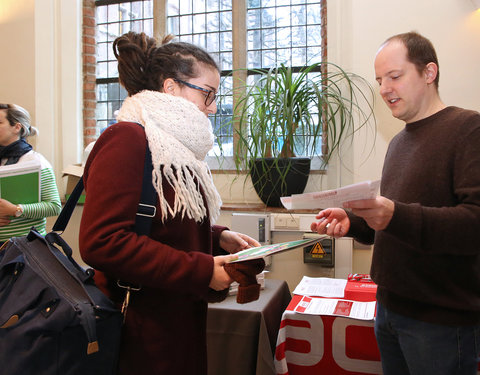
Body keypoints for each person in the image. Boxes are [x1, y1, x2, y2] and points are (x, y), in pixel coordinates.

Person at [79, 31, 261, 375]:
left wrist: (216, 237)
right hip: (139, 330)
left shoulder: (176, 148)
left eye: (215, 96)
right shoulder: (128, 138)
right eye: (207, 94)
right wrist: (203, 270)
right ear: (170, 87)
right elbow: (102, 242)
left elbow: (162, 222)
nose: (212, 106)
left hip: (175, 318)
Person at [311, 31, 480, 375]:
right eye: (379, 80)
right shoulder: (399, 141)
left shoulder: (468, 128)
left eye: (395, 76)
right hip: (388, 309)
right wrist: (354, 222)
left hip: (440, 322)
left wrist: (393, 214)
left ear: (429, 72)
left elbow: (473, 224)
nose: (385, 88)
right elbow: (392, 223)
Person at [0, 103, 61, 243]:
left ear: (17, 127)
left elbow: (54, 206)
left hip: (24, 248)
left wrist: (16, 209)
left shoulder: (36, 161)